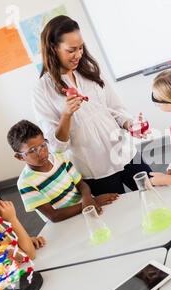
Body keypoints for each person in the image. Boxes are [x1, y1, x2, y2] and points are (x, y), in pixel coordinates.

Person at [33, 15, 151, 196]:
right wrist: (66, 115)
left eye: (81, 48)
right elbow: (57, 147)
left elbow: (115, 108)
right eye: (71, 50)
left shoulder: (89, 71)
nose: (79, 55)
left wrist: (130, 124)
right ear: (53, 48)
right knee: (121, 216)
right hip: (96, 170)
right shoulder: (42, 90)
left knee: (154, 193)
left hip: (125, 153)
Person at [7, 120, 119, 223]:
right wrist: (92, 203)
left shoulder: (59, 158)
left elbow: (81, 184)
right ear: (19, 157)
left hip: (85, 208)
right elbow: (53, 216)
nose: (41, 152)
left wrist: (88, 200)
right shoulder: (25, 183)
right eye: (32, 151)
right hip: (64, 221)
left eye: (43, 145)